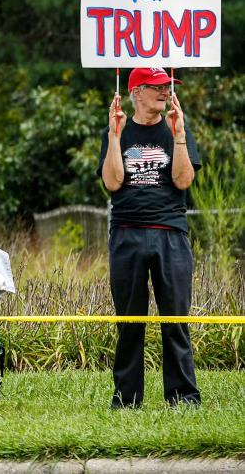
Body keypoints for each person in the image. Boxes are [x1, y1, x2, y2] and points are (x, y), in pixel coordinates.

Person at [100, 67, 201, 408]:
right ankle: (127, 400)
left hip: (170, 234)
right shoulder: (117, 130)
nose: (166, 92)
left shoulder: (177, 129)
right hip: (127, 235)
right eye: (158, 87)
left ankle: (183, 397)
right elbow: (113, 183)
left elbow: (184, 181)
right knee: (129, 323)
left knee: (175, 321)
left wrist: (180, 135)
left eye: (168, 86)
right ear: (137, 92)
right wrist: (115, 138)